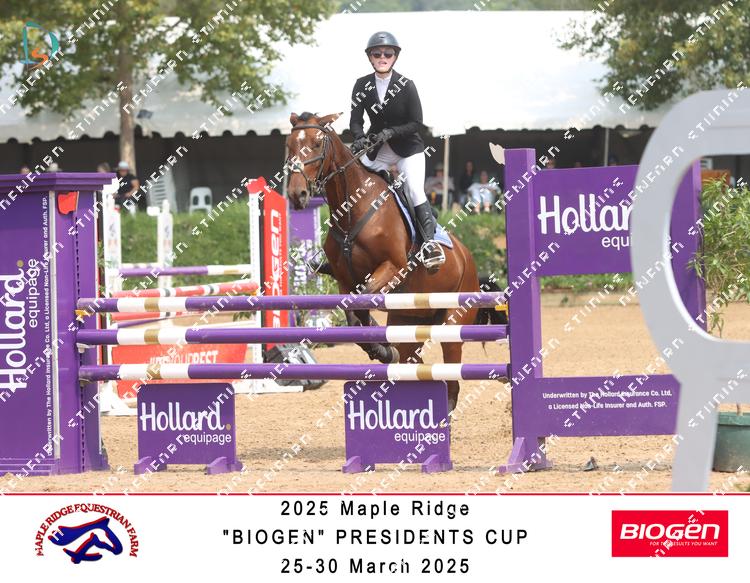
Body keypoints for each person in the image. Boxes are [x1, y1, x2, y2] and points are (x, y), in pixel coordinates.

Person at [349, 31, 445, 270]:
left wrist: (391, 132)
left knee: (413, 189)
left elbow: (416, 123)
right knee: (357, 187)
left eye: (387, 53)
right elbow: (355, 121)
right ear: (370, 57)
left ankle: (430, 244)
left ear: (395, 57)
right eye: (377, 54)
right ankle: (343, 240)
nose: (382, 57)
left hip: (407, 149)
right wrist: (359, 138)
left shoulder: (406, 85)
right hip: (378, 149)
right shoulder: (361, 84)